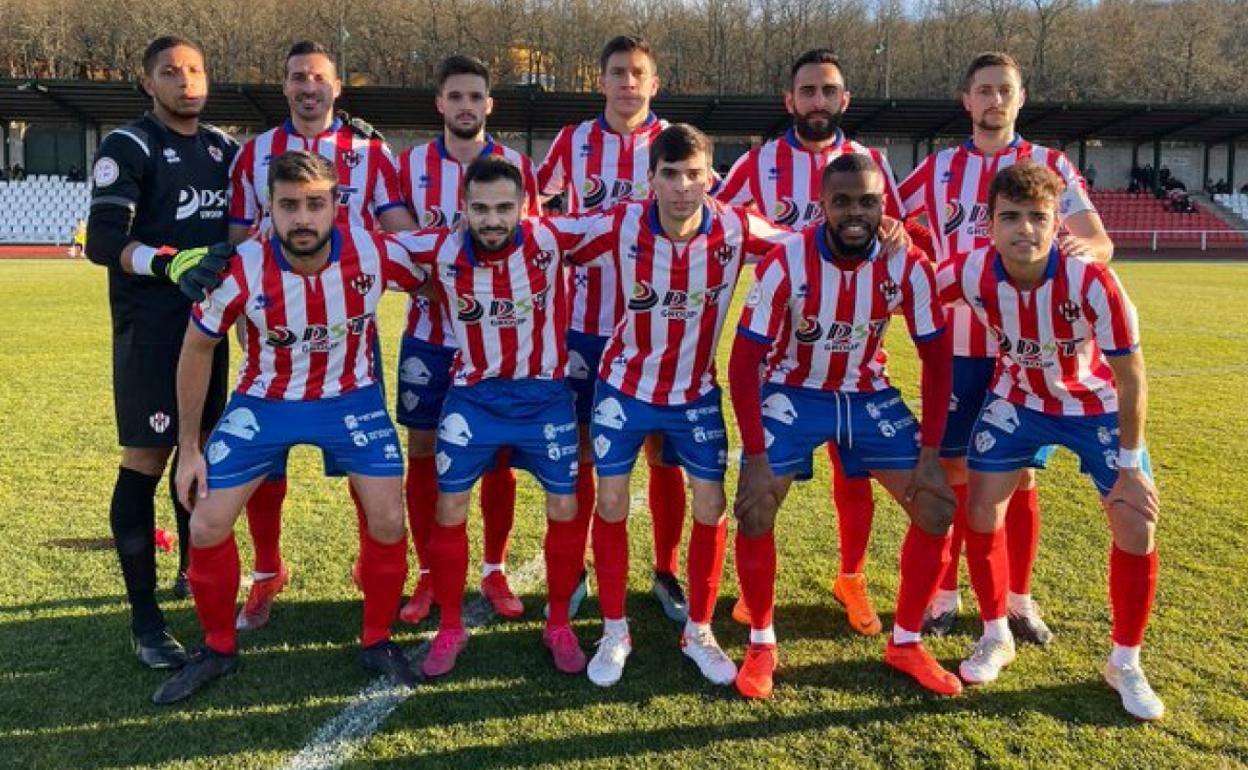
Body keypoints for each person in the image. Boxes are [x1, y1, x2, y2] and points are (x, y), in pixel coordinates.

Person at [153, 151, 425, 704]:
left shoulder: (372, 250)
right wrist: (188, 447)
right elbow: (197, 346)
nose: (303, 218)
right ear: (269, 209)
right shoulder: (242, 266)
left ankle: (376, 639)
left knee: (389, 519)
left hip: (350, 398)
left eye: (315, 204)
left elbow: (440, 276)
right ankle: (217, 647)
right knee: (205, 524)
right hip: (264, 402)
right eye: (289, 205)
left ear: (336, 206)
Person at [898, 51, 1112, 643]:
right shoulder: (938, 168)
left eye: (1005, 90)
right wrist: (925, 257)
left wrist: (1076, 257)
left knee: (1018, 478)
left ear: (1021, 98)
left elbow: (1099, 241)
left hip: (1027, 350)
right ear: (966, 100)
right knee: (954, 468)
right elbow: (889, 218)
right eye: (983, 90)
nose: (994, 100)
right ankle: (945, 593)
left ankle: (1018, 598)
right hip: (958, 346)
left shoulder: (1051, 165)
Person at [938, 161, 1163, 721]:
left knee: (1135, 522)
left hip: (1096, 407)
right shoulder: (971, 272)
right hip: (1017, 401)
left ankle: (1124, 661)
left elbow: (1132, 375)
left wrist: (1132, 465)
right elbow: (906, 289)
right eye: (1010, 217)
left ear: (1056, 220)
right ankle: (996, 634)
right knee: (983, 506)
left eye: (1037, 217)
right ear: (988, 224)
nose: (1024, 229)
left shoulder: (1093, 281)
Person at [731, 153, 957, 699]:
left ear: (884, 206)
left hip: (866, 393)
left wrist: (930, 451)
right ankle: (762, 641)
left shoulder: (908, 263)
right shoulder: (786, 261)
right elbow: (743, 363)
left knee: (937, 506)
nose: (856, 212)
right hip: (793, 391)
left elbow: (938, 359)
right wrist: (757, 458)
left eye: (868, 201)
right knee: (755, 505)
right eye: (842, 201)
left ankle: (905, 643)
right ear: (823, 205)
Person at [579, 124, 789, 688]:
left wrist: (894, 232)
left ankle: (698, 629)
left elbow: (804, 241)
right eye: (669, 175)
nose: (681, 187)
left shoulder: (735, 226)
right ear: (651, 178)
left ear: (709, 176)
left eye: (693, 173)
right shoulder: (622, 222)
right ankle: (615, 628)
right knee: (613, 499)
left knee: (710, 506)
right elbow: (549, 237)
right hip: (623, 387)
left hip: (694, 392)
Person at [226, 40, 417, 633]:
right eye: (297, 77)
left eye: (318, 77)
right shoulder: (255, 154)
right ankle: (266, 573)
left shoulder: (369, 152)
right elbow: (238, 236)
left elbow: (401, 232)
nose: (308, 87)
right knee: (265, 465)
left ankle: (371, 566)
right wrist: (243, 313)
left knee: (370, 461)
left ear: (338, 87)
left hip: (348, 334)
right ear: (284, 86)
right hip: (272, 327)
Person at [715, 47, 906, 637]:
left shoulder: (871, 161)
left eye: (829, 91)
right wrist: (784, 243)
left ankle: (851, 578)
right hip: (783, 362)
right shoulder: (761, 161)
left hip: (857, 359)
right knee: (771, 481)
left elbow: (900, 237)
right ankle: (755, 595)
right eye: (809, 91)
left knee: (855, 478)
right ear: (790, 100)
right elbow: (723, 219)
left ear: (844, 100)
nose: (818, 101)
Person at [393, 156, 605, 679]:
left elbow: (626, 219)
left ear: (524, 207)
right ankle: (449, 628)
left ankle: (558, 624)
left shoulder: (551, 238)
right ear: (463, 208)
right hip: (474, 399)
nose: (493, 220)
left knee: (564, 505)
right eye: (481, 208)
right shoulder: (439, 247)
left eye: (504, 208)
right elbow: (365, 250)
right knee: (449, 509)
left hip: (546, 398)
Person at [84, 35, 237, 669]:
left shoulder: (222, 149)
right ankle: (145, 623)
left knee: (198, 447)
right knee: (147, 459)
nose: (185, 80)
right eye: (171, 72)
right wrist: (166, 264)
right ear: (148, 83)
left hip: (211, 328)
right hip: (151, 331)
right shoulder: (129, 146)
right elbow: (101, 240)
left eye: (195, 69)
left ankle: (193, 575)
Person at [537, 35, 690, 624]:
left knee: (662, 453)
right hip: (584, 326)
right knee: (578, 448)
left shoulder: (674, 143)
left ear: (654, 83)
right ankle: (575, 569)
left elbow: (709, 213)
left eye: (639, 74)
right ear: (601, 81)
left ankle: (667, 570)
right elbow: (535, 207)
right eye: (618, 73)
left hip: (661, 332)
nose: (629, 82)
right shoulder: (572, 142)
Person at [393, 54, 541, 625]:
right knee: (424, 452)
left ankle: (494, 569)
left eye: (475, 97)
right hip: (429, 337)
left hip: (500, 337)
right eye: (455, 96)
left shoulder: (515, 165)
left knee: (498, 453)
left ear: (488, 105)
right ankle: (429, 574)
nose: (465, 106)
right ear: (440, 103)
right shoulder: (408, 166)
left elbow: (535, 244)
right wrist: (438, 274)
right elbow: (397, 242)